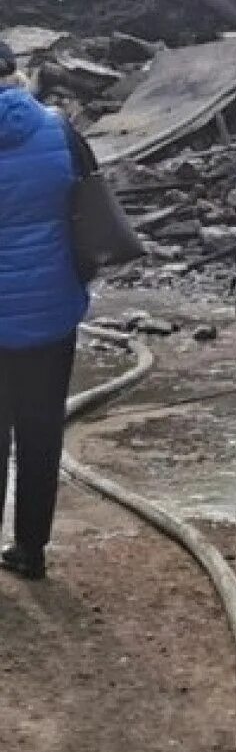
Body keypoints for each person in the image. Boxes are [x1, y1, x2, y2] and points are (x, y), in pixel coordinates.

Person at [0, 40, 90, 582]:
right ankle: (30, 549)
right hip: (52, 311)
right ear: (17, 74)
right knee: (40, 431)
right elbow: (91, 204)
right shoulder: (59, 128)